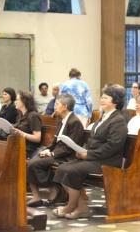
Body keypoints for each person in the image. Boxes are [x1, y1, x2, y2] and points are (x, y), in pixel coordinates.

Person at [52, 84, 128, 219]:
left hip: (108, 161)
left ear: (115, 101)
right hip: (96, 158)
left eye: (106, 97)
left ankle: (71, 206)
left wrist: (89, 154)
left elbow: (113, 146)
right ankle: (81, 207)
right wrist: (82, 150)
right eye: (102, 97)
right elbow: (94, 140)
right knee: (62, 168)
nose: (102, 99)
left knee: (72, 170)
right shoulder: (103, 116)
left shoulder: (118, 120)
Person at [27, 94, 84, 207]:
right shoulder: (61, 120)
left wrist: (52, 153)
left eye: (57, 105)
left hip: (68, 156)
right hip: (58, 153)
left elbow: (71, 146)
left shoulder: (75, 122)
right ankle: (39, 195)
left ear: (65, 106)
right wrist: (47, 150)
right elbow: (55, 142)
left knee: (34, 164)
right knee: (33, 161)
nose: (55, 107)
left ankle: (54, 188)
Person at [12, 91, 42, 159]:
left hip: (27, 149)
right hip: (18, 145)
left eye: (17, 99)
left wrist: (22, 134)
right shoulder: (20, 115)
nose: (15, 101)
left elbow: (37, 138)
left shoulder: (33, 116)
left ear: (24, 101)